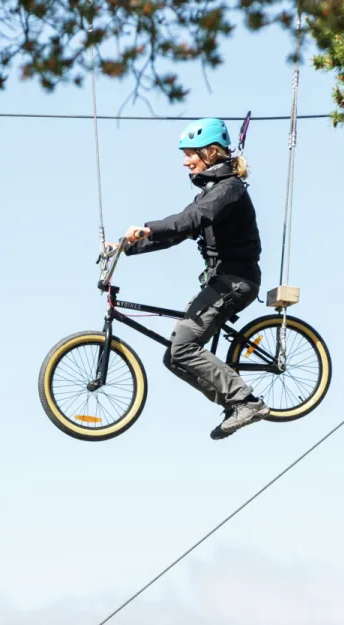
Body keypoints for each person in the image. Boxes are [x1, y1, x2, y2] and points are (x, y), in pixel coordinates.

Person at [106, 117, 270, 440]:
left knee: (183, 347)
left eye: (189, 153)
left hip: (236, 280)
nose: (185, 161)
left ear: (209, 152)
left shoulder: (229, 189)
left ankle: (246, 401)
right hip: (221, 280)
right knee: (174, 357)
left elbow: (188, 220)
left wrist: (148, 226)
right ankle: (234, 404)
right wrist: (125, 246)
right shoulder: (212, 193)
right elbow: (178, 232)